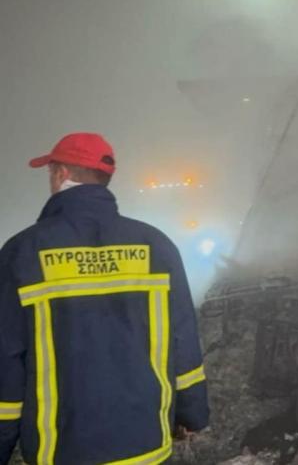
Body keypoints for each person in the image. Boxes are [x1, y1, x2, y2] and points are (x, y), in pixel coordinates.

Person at [0, 132, 209, 464]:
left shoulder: (22, 252)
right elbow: (183, 342)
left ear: (60, 173)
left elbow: (6, 362)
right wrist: (192, 414)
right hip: (148, 448)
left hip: (63, 453)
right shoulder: (157, 246)